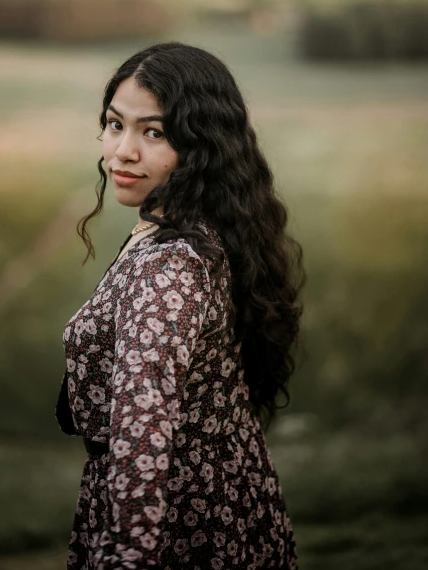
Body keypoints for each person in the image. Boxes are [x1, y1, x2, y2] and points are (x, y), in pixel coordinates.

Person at [55, 41, 305, 569]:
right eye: (114, 124)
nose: (122, 151)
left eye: (155, 132)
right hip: (229, 502)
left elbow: (141, 444)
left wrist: (127, 555)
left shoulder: (168, 267)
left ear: (202, 148)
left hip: (180, 528)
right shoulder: (206, 228)